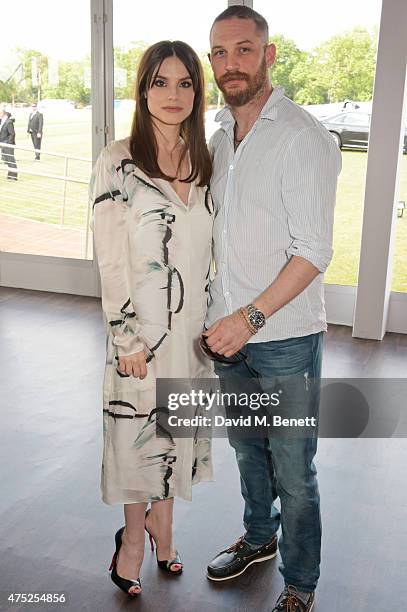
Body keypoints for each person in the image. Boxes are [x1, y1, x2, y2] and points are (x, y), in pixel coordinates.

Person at [204, 6, 341, 612]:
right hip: (227, 337)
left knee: (293, 467)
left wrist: (248, 318)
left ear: (268, 54)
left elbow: (313, 252)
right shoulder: (219, 139)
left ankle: (302, 581)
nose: (230, 64)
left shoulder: (301, 136)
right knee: (246, 449)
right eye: (219, 54)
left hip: (281, 335)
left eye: (242, 49)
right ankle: (259, 538)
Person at [89, 40, 214, 598]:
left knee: (175, 437)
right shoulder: (118, 160)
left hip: (194, 336)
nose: (172, 94)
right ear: (142, 89)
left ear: (197, 91)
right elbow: (110, 258)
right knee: (138, 442)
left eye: (184, 82)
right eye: (160, 82)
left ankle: (166, 530)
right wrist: (126, 336)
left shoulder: (207, 160)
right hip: (140, 335)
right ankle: (133, 541)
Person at [0, 104, 18, 181]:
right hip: (3, 144)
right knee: (7, 160)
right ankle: (10, 175)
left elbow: (12, 134)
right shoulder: (2, 122)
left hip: (8, 144)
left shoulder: (8, 122)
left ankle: (14, 176)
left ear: (3, 114)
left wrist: (8, 143)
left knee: (11, 160)